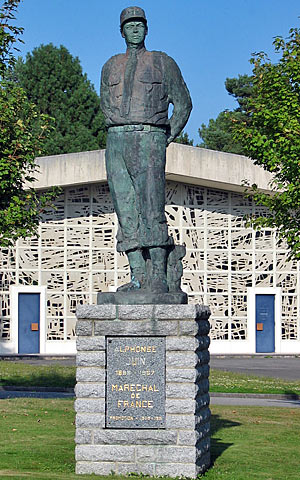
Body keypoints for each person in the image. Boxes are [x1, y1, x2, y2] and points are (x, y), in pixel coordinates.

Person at [100, 6, 192, 293]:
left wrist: (166, 136)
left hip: (149, 136)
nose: (135, 29)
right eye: (129, 25)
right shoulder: (110, 65)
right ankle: (137, 274)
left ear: (147, 29)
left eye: (140, 25)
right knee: (125, 207)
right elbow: (105, 103)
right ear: (122, 31)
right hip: (116, 139)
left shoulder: (162, 62)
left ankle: (158, 277)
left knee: (151, 206)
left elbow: (184, 103)